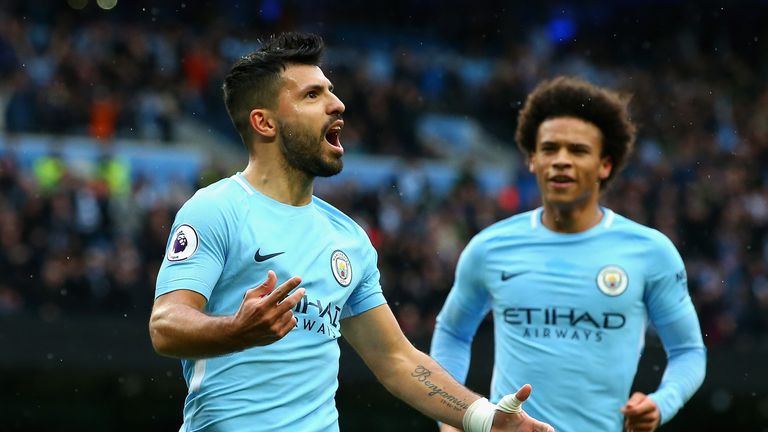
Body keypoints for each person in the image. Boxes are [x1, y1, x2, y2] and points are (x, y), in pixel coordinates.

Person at [148, 32, 554, 432]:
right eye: (312, 95)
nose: (337, 104)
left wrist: (485, 419)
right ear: (264, 123)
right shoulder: (216, 208)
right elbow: (166, 325)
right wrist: (234, 330)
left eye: (331, 91)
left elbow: (396, 359)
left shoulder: (348, 238)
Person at [430, 76, 706, 432]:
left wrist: (661, 403)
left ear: (605, 165)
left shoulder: (651, 253)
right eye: (549, 149)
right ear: (532, 160)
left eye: (577, 150)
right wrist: (452, 417)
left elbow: (689, 351)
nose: (561, 160)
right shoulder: (489, 248)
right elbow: (452, 332)